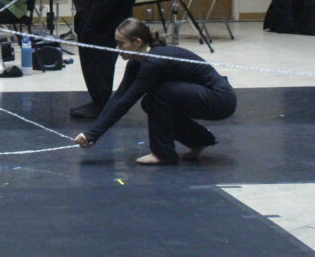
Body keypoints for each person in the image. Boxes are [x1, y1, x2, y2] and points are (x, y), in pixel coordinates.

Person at [75, 18, 236, 164]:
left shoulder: (154, 63)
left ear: (137, 42)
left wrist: (93, 135)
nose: (117, 48)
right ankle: (199, 140)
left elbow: (127, 101)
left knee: (159, 95)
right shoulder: (137, 61)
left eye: (121, 43)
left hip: (220, 99)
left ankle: (163, 154)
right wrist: (90, 134)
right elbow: (118, 97)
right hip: (207, 96)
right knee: (150, 102)